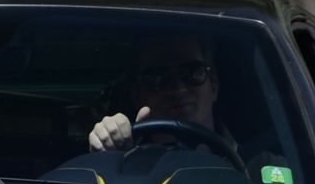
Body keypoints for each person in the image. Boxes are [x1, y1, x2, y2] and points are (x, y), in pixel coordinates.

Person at [89, 32, 234, 156]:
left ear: (214, 87)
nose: (178, 88)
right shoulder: (124, 166)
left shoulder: (254, 165)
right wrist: (109, 158)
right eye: (157, 77)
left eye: (192, 72)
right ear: (136, 95)